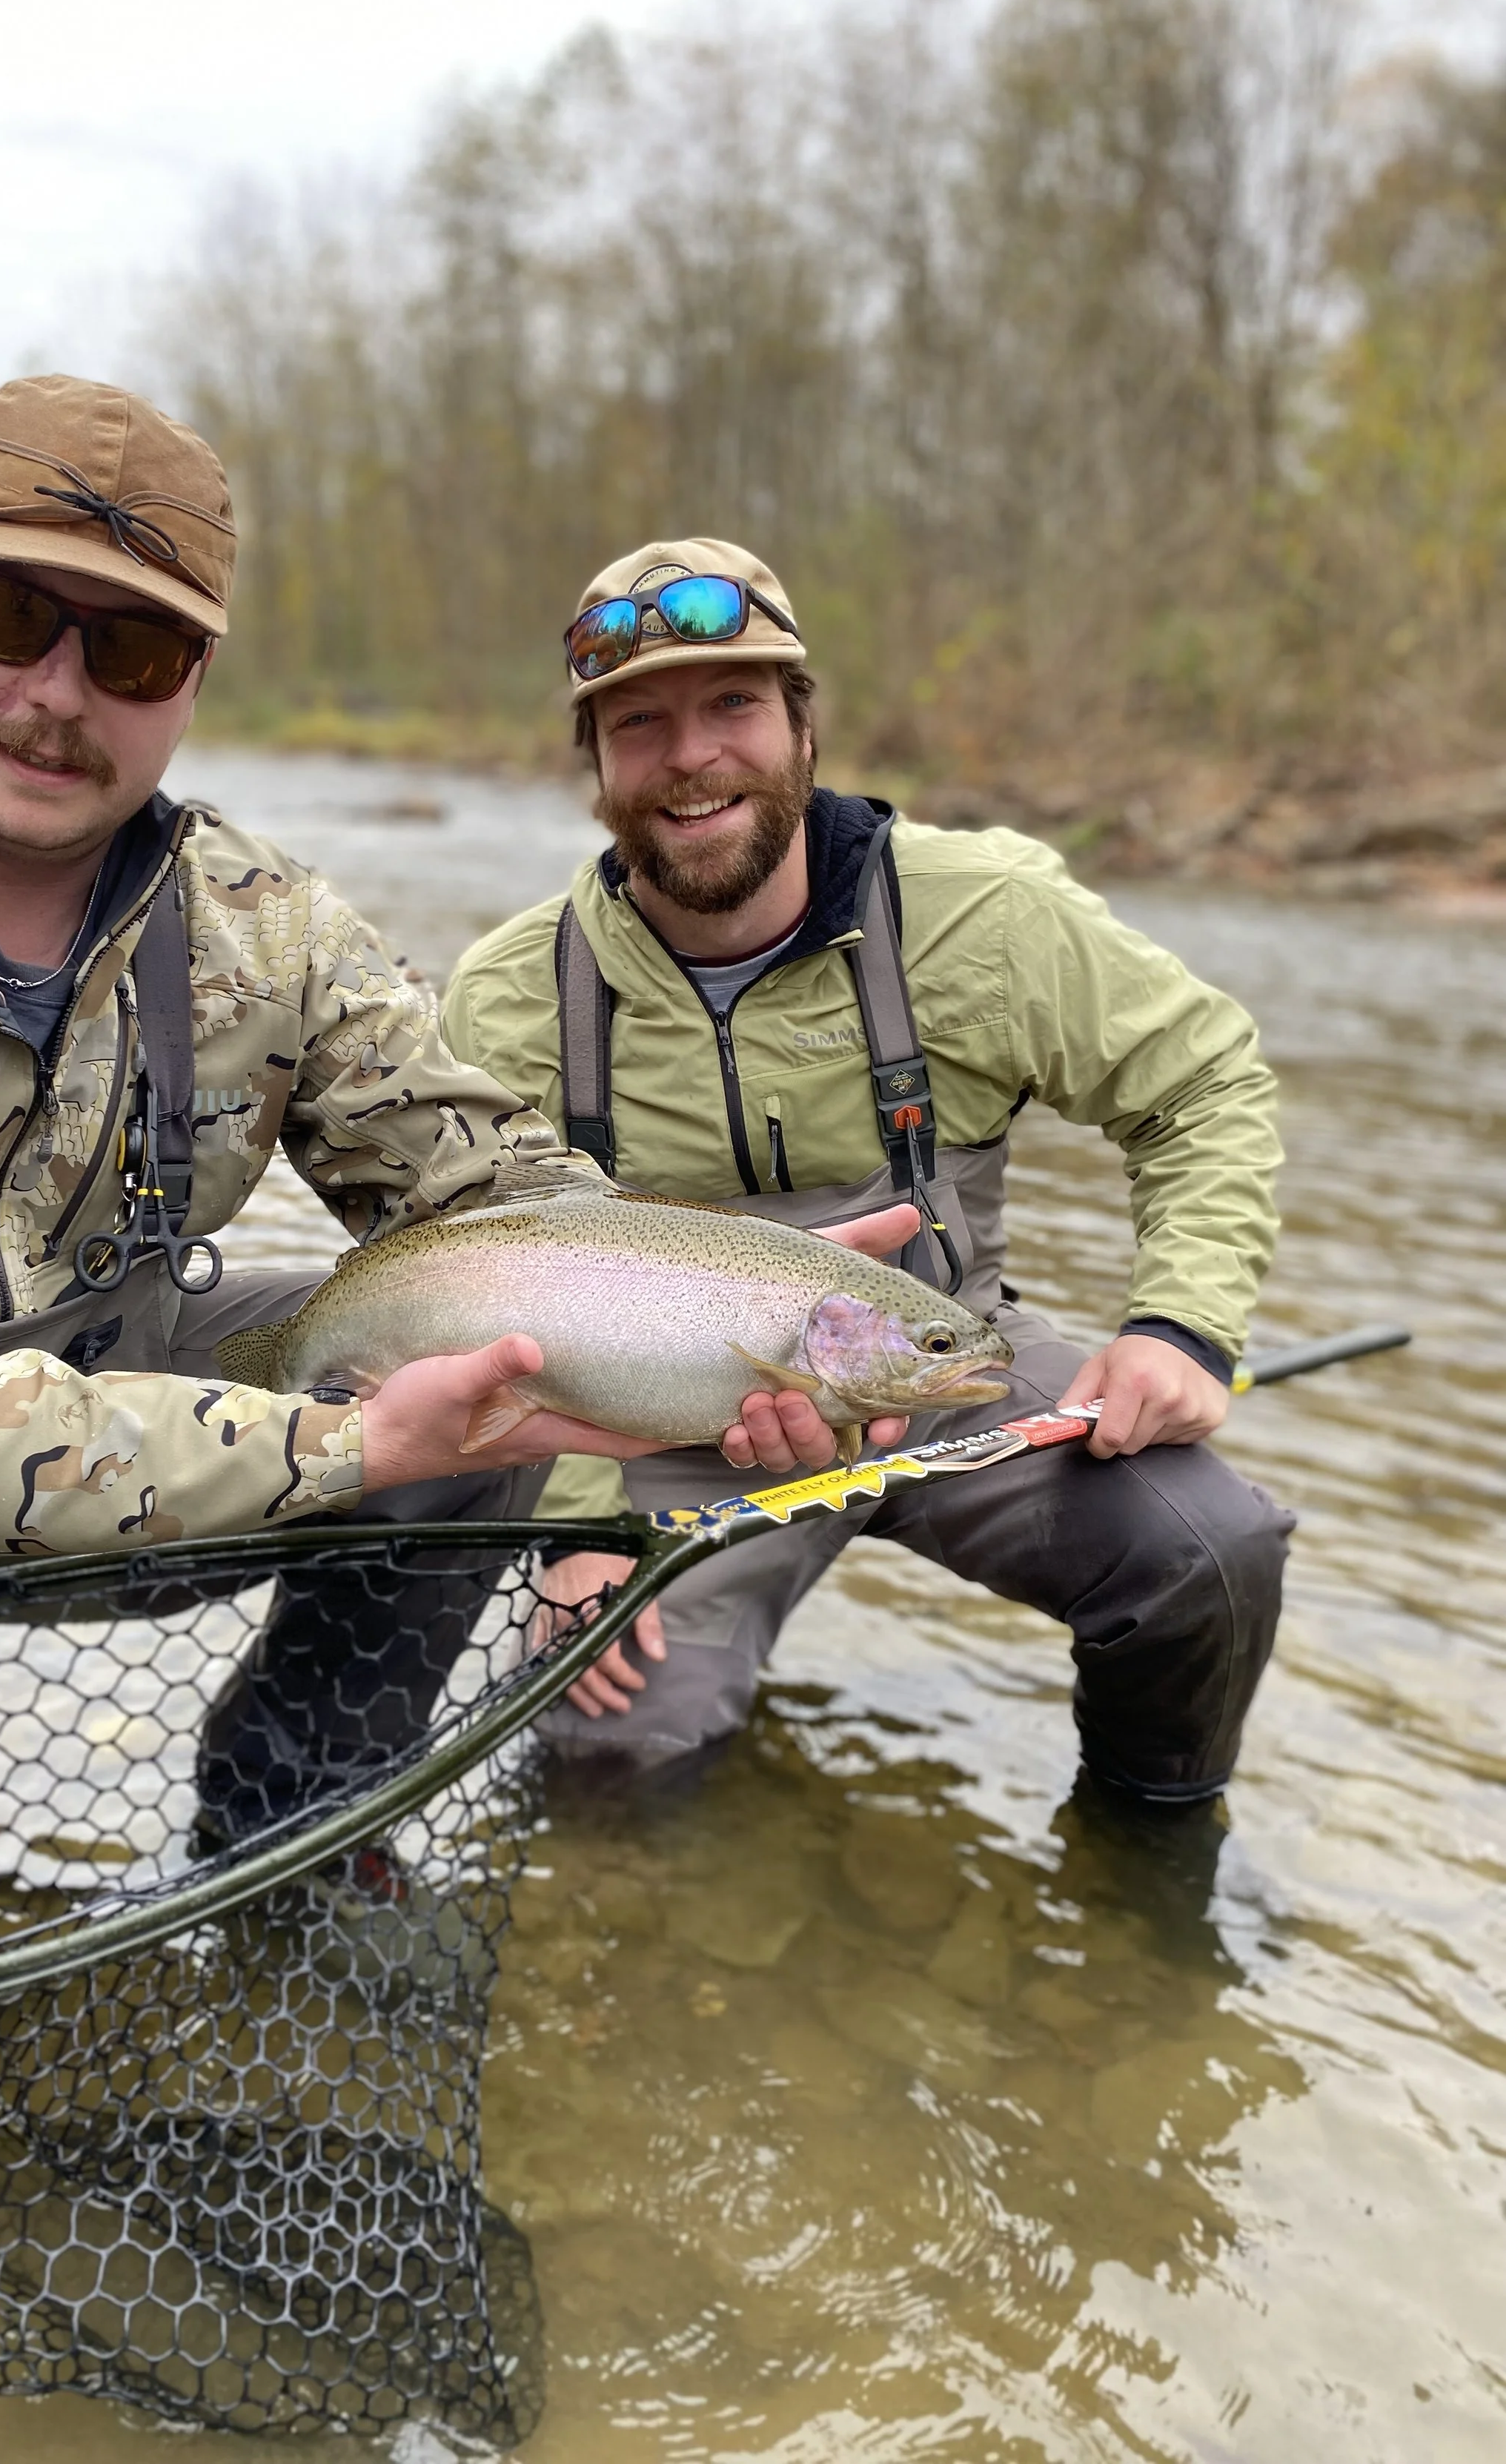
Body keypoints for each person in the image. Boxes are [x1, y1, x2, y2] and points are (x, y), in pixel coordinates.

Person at [0, 389, 915, 1690]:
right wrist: (354, 1448)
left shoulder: (267, 924)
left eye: (135, 649)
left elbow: (503, 1199)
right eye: (11, 614)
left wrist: (737, 1302)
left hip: (118, 1425)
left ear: (195, 673)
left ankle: (308, 1832)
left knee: (495, 1369)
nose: (58, 693)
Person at [442, 538, 1295, 1804]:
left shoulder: (983, 918)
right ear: (598, 764)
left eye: (732, 703)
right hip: (657, 1444)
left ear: (802, 725)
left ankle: (1144, 1875)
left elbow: (1204, 1087)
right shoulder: (514, 1001)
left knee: (1211, 1556)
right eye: (641, 722)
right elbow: (478, 1299)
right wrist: (573, 1529)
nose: (691, 757)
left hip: (955, 1373)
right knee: (610, 1755)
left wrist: (1181, 1325)